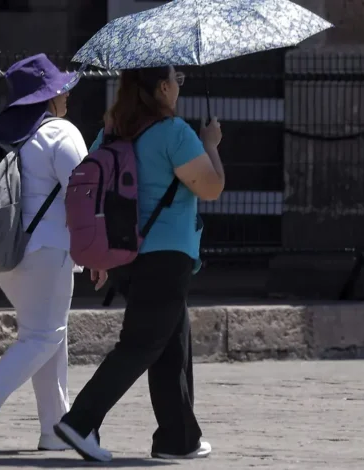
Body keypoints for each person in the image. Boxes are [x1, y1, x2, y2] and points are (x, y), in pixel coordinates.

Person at [54, 65, 225, 462]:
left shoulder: (112, 133)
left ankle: (177, 439)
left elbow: (92, 193)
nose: (178, 87)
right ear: (163, 87)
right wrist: (211, 144)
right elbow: (212, 187)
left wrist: (98, 254)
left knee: (171, 348)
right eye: (176, 80)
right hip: (166, 257)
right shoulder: (175, 134)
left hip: (126, 257)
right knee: (141, 345)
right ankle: (79, 421)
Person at [0, 53, 94, 454]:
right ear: (48, 97)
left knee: (47, 336)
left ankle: (54, 429)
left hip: (7, 258)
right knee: (44, 335)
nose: (66, 94)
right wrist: (96, 253)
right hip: (48, 252)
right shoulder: (60, 133)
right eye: (60, 88)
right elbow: (83, 195)